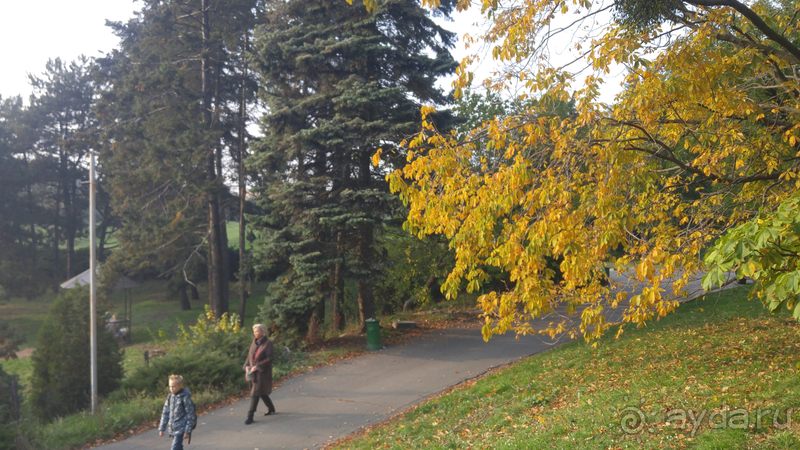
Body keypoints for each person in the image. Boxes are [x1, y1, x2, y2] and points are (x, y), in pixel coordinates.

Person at [244, 323, 275, 424]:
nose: (255, 333)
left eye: (257, 331)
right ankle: (271, 408)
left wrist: (257, 366)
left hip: (263, 372)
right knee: (261, 391)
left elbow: (269, 358)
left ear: (263, 332)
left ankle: (250, 416)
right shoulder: (254, 342)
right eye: (254, 332)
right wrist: (247, 365)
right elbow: (249, 355)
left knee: (256, 392)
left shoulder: (268, 343)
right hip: (252, 372)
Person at [159, 374, 196, 449]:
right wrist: (162, 427)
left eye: (174, 386)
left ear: (180, 385)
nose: (171, 389)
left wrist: (187, 431)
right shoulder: (170, 397)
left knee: (175, 448)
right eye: (170, 386)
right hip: (172, 428)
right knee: (178, 448)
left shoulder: (185, 398)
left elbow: (190, 415)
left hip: (181, 429)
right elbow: (165, 412)